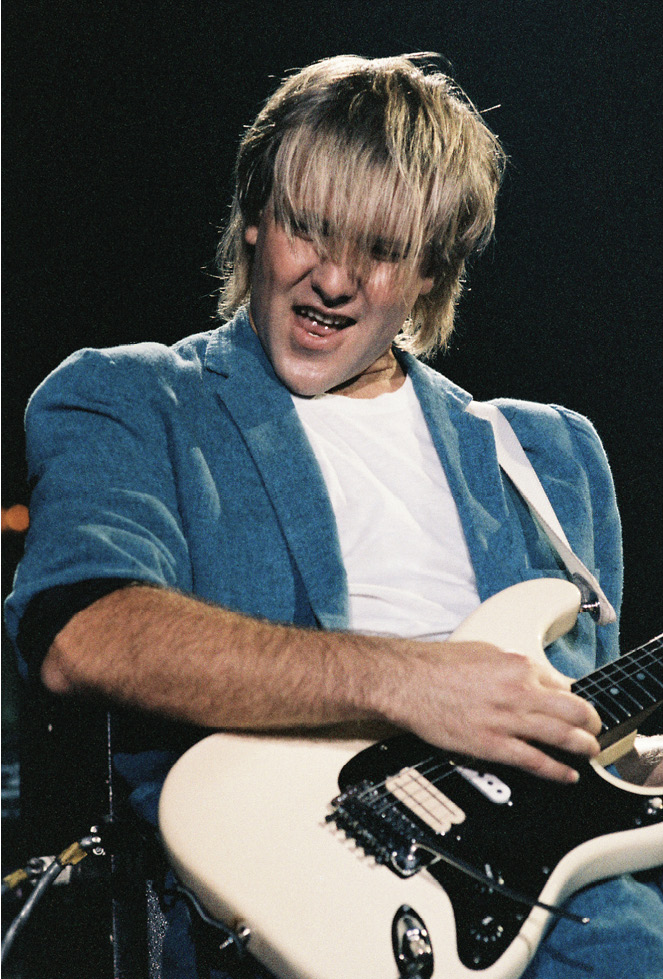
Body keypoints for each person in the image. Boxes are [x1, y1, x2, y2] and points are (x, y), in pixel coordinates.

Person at [5, 54, 662, 979]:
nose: (335, 281)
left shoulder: (550, 457)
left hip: (586, 931)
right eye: (309, 230)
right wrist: (411, 682)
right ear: (253, 220)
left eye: (382, 251)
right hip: (287, 913)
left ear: (431, 273)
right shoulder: (134, 400)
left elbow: (592, 745)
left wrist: (635, 772)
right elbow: (84, 635)